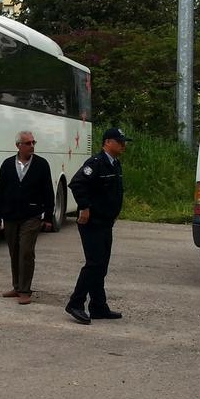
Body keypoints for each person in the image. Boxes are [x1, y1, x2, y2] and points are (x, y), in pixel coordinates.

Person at [64, 127, 130, 325]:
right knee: (94, 263)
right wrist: (84, 207)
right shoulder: (95, 163)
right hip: (92, 223)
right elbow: (77, 184)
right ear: (108, 142)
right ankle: (75, 303)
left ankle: (98, 306)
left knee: (101, 265)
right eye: (120, 142)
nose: (123, 145)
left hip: (106, 222)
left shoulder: (114, 164)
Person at [0, 130, 55, 304]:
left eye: (33, 142)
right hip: (10, 215)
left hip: (32, 215)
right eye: (28, 143)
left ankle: (25, 290)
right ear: (18, 145)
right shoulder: (7, 164)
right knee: (14, 251)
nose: (32, 146)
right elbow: (0, 189)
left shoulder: (41, 165)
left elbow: (48, 191)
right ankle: (17, 286)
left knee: (26, 251)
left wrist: (48, 217)